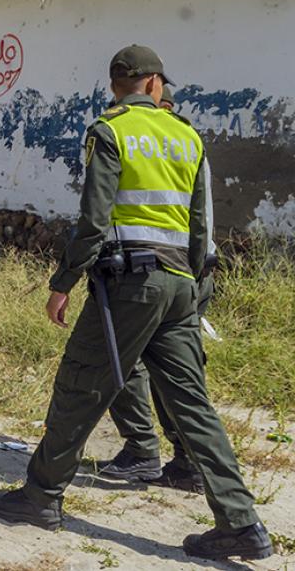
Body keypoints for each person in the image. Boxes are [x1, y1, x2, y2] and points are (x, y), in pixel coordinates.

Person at [0, 46, 272, 562]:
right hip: (181, 285)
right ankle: (241, 522)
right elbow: (200, 224)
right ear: (155, 83)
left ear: (116, 85)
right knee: (193, 405)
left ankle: (40, 497)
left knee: (80, 386)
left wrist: (63, 281)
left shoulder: (109, 131)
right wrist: (193, 286)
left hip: (130, 285)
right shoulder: (187, 136)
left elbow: (94, 220)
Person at [96, 84, 219, 494]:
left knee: (122, 357)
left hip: (157, 272)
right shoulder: (186, 141)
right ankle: (187, 461)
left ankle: (142, 450)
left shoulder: (153, 142)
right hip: (190, 271)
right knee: (176, 372)